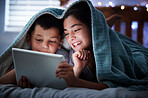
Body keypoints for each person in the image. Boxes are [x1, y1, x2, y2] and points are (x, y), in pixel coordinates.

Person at [56, 0, 148, 91]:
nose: (71, 38)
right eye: (67, 33)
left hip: (135, 53)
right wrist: (78, 68)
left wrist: (76, 82)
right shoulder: (74, 54)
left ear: (92, 27)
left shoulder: (111, 51)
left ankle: (107, 24)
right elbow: (69, 84)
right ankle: (107, 23)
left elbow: (116, 84)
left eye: (76, 30)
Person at [0, 14, 66, 88]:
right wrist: (21, 71)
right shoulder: (22, 55)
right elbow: (2, 80)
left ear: (60, 43)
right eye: (39, 40)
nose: (44, 46)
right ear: (29, 39)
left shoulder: (63, 58)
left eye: (52, 41)